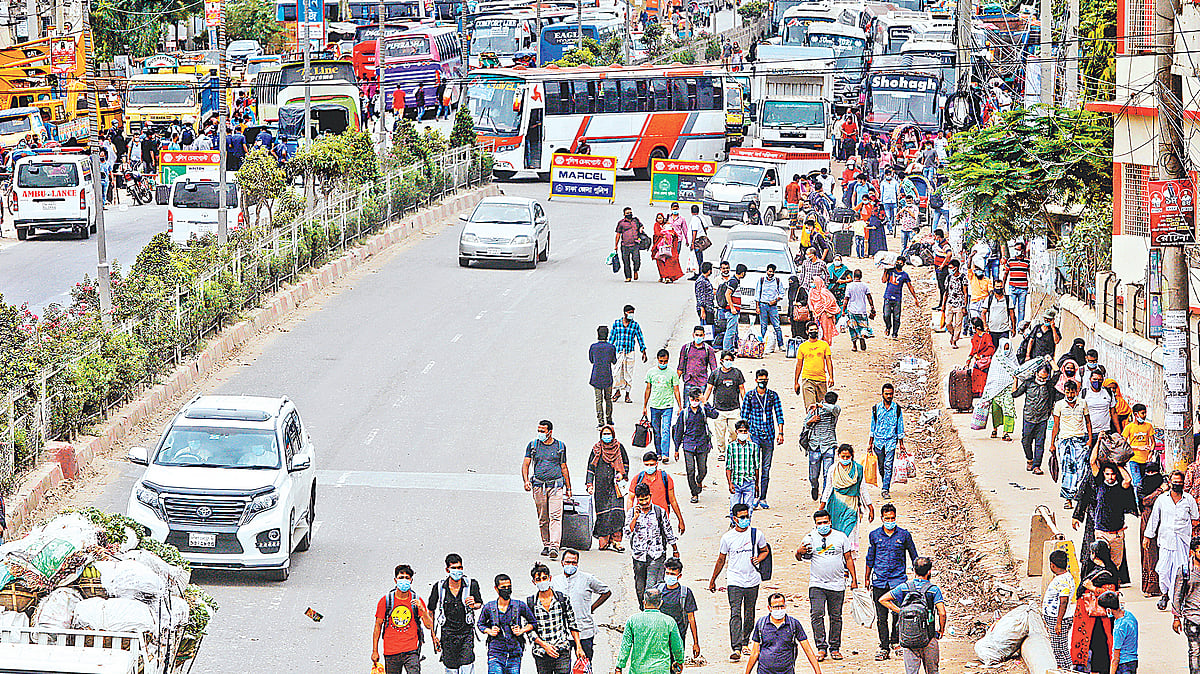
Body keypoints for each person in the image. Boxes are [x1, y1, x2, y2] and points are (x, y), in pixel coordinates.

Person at [709, 503, 771, 661]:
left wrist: (759, 559)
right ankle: (736, 647)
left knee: (749, 612)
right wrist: (713, 579)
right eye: (742, 517)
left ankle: (745, 642)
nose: (745, 520)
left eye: (747, 516)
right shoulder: (727, 537)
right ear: (734, 518)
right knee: (735, 612)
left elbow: (765, 550)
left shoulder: (757, 534)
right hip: (734, 580)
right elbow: (721, 559)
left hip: (752, 580)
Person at [797, 509, 857, 661]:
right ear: (815, 524)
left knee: (836, 617)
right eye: (819, 523)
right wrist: (799, 551)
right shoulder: (809, 538)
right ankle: (821, 648)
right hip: (817, 584)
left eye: (825, 522)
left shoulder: (840, 537)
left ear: (830, 522)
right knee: (817, 614)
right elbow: (799, 556)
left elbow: (848, 558)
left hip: (837, 584)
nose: (823, 525)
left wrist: (854, 579)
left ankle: (835, 648)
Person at [866, 503, 920, 661]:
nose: (890, 521)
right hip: (879, 581)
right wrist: (866, 578)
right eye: (887, 518)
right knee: (881, 617)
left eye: (893, 518)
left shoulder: (904, 535)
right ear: (882, 518)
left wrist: (918, 577)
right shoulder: (874, 535)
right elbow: (870, 558)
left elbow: (913, 555)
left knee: (898, 613)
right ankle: (883, 647)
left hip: (898, 581)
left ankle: (896, 642)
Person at [878, 557, 946, 674]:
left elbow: (883, 599)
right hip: (929, 637)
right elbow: (942, 612)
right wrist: (941, 630)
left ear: (914, 570)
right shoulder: (933, 590)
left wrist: (901, 611)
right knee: (933, 671)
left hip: (908, 637)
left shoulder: (905, 587)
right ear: (929, 571)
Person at [1073, 463, 1137, 585]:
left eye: (1112, 474)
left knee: (1115, 559)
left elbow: (1127, 481)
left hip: (1116, 528)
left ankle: (1114, 580)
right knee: (1095, 553)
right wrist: (1077, 515)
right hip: (1097, 523)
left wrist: (1117, 464)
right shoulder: (1096, 481)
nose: (1110, 476)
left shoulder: (1119, 486)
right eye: (1107, 474)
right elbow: (1085, 494)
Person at [1146, 470, 1200, 610]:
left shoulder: (1189, 500)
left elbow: (1195, 519)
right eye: (1174, 482)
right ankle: (1165, 594)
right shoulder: (1162, 500)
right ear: (1170, 483)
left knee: (1181, 571)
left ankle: (1178, 599)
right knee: (1163, 570)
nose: (1177, 485)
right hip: (1165, 541)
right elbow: (1154, 519)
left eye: (1179, 483)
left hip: (1182, 542)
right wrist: (1147, 536)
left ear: (1183, 484)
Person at [374, 564, 438, 674]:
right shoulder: (386, 600)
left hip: (411, 650)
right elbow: (378, 625)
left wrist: (422, 609)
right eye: (401, 578)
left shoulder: (416, 600)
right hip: (391, 651)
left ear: (411, 581)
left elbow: (429, 625)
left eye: (407, 578)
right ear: (395, 580)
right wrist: (375, 651)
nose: (404, 580)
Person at [522, 420, 572, 559]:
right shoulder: (532, 446)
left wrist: (568, 487)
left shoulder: (560, 446)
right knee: (543, 518)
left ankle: (554, 546)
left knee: (555, 517)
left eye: (543, 431)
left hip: (556, 487)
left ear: (550, 432)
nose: (540, 433)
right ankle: (546, 543)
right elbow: (526, 464)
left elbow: (564, 467)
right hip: (539, 486)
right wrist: (526, 481)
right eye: (539, 430)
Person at [429, 554, 484, 674]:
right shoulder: (439, 587)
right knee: (451, 669)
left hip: (466, 633)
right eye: (454, 568)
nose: (457, 571)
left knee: (467, 667)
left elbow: (479, 604)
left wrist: (473, 604)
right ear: (447, 570)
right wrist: (433, 635)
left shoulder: (471, 584)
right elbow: (431, 611)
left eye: (460, 568)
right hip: (447, 635)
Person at [552, 550, 611, 661]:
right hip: (562, 632)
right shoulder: (555, 581)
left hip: (584, 630)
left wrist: (592, 608)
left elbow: (606, 592)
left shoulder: (587, 579)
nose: (571, 565)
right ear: (562, 562)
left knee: (584, 666)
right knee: (562, 667)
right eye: (568, 562)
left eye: (574, 563)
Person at [744, 592, 824, 674]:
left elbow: (808, 650)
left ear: (785, 606)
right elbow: (755, 652)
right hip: (764, 671)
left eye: (781, 606)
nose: (779, 609)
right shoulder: (761, 624)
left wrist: (818, 672)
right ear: (769, 608)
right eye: (775, 607)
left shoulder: (793, 624)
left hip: (787, 671)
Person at [526, 563, 585, 674]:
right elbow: (529, 630)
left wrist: (578, 646)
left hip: (562, 650)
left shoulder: (562, 599)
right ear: (534, 582)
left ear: (550, 578)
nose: (542, 582)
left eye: (544, 578)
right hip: (541, 652)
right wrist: (545, 646)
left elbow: (572, 624)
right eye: (538, 579)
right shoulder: (531, 603)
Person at [628, 482, 679, 609]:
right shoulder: (632, 513)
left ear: (650, 496)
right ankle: (644, 609)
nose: (644, 502)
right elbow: (627, 533)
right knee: (640, 588)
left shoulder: (659, 512)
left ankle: (651, 612)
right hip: (639, 556)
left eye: (646, 499)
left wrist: (675, 549)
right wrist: (635, 518)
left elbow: (668, 530)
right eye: (641, 499)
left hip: (656, 555)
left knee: (651, 587)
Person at [741, 369, 785, 509]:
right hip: (754, 435)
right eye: (760, 379)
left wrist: (780, 432)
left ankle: (763, 497)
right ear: (756, 380)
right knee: (754, 467)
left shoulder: (772, 396)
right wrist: (745, 435)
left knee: (766, 468)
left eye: (765, 379)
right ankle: (755, 495)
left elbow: (779, 414)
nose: (763, 382)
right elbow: (744, 416)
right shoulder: (749, 396)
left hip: (769, 435)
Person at [615, 588, 685, 674]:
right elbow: (677, 646)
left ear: (644, 603)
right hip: (661, 670)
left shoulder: (632, 620)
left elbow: (625, 646)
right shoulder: (669, 621)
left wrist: (619, 667)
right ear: (661, 603)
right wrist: (679, 661)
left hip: (638, 670)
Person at [477, 574, 536, 674]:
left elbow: (533, 622)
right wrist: (489, 631)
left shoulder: (519, 605)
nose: (507, 590)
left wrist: (521, 630)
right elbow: (480, 624)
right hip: (495, 652)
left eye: (509, 587)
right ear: (496, 589)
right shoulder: (489, 607)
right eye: (503, 587)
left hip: (514, 653)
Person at [1071, 556, 1118, 673]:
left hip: (1101, 618)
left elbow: (1110, 593)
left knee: (1101, 645)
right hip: (1093, 619)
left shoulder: (1107, 574)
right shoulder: (1094, 571)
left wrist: (1092, 588)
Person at [587, 425, 629, 552]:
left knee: (617, 513)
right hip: (601, 487)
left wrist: (622, 474)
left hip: (616, 487)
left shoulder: (619, 448)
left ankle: (617, 541)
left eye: (608, 434)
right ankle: (605, 541)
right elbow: (590, 468)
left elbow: (625, 464)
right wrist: (589, 484)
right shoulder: (596, 449)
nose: (606, 436)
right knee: (603, 513)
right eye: (604, 434)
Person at [1053, 381, 1094, 510]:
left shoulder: (1083, 403)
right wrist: (1052, 443)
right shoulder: (1059, 405)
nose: (1070, 394)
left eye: (1072, 392)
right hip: (1065, 441)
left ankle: (1080, 497)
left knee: (1082, 470)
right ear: (1064, 391)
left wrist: (1090, 439)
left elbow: (1088, 422)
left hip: (1080, 440)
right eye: (1067, 392)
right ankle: (1068, 499)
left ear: (1076, 391)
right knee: (1068, 470)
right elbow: (1056, 425)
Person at [674, 387, 719, 502]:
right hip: (688, 445)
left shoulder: (704, 410)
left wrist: (705, 402)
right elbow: (678, 432)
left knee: (702, 469)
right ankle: (694, 493)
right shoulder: (684, 413)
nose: (694, 401)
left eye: (697, 399)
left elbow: (715, 414)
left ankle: (699, 481)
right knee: (690, 470)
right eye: (692, 399)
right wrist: (676, 449)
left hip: (702, 445)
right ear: (689, 399)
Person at [629, 452, 686, 533]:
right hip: (642, 520)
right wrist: (631, 517)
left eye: (651, 464)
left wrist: (680, 520)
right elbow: (630, 499)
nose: (649, 467)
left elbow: (672, 500)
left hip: (661, 519)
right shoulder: (638, 478)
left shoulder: (665, 478)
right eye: (647, 465)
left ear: (657, 464)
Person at [981, 338, 1026, 441]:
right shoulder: (997, 359)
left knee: (1009, 410)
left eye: (1007, 348)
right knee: (996, 410)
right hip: (996, 389)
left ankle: (1006, 432)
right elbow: (992, 375)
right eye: (1004, 348)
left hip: (1008, 389)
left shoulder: (1012, 360)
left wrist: (1015, 383)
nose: (1006, 351)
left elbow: (1017, 372)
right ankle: (995, 429)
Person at [1013, 364, 1055, 474]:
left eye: (1044, 378)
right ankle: (1030, 459)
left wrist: (1050, 361)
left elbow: (1058, 373)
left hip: (1043, 418)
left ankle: (1037, 466)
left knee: (1040, 443)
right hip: (1029, 417)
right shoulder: (1028, 383)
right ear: (1036, 374)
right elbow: (1015, 394)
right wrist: (1015, 380)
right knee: (1026, 441)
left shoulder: (1049, 386)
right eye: (1040, 377)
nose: (1042, 380)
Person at [656, 557, 700, 658]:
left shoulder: (685, 593)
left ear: (679, 576)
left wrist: (696, 643)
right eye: (667, 573)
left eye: (672, 574)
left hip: (678, 638)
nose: (669, 576)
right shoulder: (657, 590)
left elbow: (691, 618)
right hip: (659, 637)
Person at [705, 351, 745, 461]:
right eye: (726, 360)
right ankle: (722, 452)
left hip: (734, 409)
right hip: (719, 410)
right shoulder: (715, 374)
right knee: (720, 434)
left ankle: (731, 449)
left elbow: (742, 389)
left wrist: (746, 403)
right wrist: (703, 402)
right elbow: (709, 388)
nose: (728, 362)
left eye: (730, 360)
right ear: (721, 360)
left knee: (734, 432)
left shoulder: (737, 373)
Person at [868, 384, 906, 500]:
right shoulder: (876, 409)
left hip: (891, 441)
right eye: (887, 394)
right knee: (881, 466)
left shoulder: (897, 409)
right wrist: (870, 443)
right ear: (882, 394)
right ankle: (885, 479)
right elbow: (872, 427)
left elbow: (900, 427)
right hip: (878, 442)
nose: (889, 396)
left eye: (891, 394)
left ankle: (885, 489)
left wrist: (901, 444)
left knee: (888, 465)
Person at [645, 349, 682, 463]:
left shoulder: (672, 373)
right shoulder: (651, 373)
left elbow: (676, 390)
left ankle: (665, 454)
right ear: (657, 360)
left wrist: (680, 406)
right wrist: (644, 406)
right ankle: (658, 453)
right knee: (656, 431)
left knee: (666, 430)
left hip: (667, 406)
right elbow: (648, 389)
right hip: (654, 405)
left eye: (665, 361)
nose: (663, 363)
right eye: (661, 361)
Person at [1042, 549, 1076, 669]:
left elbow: (1064, 601)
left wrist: (1058, 622)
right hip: (1058, 618)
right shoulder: (1065, 577)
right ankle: (1064, 668)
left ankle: (1066, 669)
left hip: (1059, 618)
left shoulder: (1062, 580)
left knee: (1059, 648)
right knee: (1060, 646)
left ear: (1052, 565)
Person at [1170, 536, 1200, 672]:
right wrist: (1176, 618)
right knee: (1195, 651)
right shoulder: (1185, 570)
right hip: (1192, 617)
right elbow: (1177, 595)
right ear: (1193, 552)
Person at [806, 392, 841, 502]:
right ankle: (814, 487)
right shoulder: (815, 410)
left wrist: (820, 405)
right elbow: (805, 424)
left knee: (827, 474)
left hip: (829, 445)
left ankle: (825, 497)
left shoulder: (834, 410)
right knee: (813, 475)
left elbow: (834, 409)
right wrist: (811, 421)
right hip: (814, 445)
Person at [610, 306, 649, 404]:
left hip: (630, 352)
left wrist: (643, 351)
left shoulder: (635, 325)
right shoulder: (617, 323)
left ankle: (627, 394)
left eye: (632, 313)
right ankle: (617, 391)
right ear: (625, 313)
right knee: (616, 372)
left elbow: (640, 338)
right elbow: (612, 337)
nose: (631, 315)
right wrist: (609, 350)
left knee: (628, 373)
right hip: (619, 351)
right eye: (629, 312)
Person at [1139, 462, 1166, 597]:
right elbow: (1145, 501)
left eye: (1154, 473)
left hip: (1163, 521)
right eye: (1148, 473)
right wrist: (1159, 491)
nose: (1150, 476)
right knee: (1150, 554)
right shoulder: (1141, 487)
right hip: (1147, 520)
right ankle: (1150, 587)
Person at [794, 322, 833, 409]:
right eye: (811, 330)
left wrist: (831, 377)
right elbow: (799, 365)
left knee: (823, 408)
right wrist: (796, 382)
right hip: (808, 380)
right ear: (807, 332)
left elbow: (829, 362)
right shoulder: (802, 347)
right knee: (811, 408)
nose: (813, 332)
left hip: (821, 380)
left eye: (815, 329)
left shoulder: (824, 345)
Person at [1098, 590, 1139, 674]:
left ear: (1108, 610)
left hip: (1123, 665)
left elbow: (1116, 657)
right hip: (1133, 661)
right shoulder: (1129, 615)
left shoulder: (1119, 628)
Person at [726, 420, 761, 509]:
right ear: (736, 431)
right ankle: (734, 523)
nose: (743, 433)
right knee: (734, 508)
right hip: (736, 482)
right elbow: (728, 467)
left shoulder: (753, 447)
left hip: (749, 482)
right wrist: (730, 483)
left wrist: (756, 484)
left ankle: (746, 523)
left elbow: (756, 467)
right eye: (741, 431)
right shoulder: (731, 447)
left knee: (749, 509)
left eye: (745, 431)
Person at [839, 269, 875, 353]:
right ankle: (862, 336)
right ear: (861, 276)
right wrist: (872, 307)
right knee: (863, 325)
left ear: (853, 276)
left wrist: (843, 310)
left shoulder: (850, 286)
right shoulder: (865, 285)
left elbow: (846, 299)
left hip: (852, 310)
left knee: (852, 327)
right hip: (862, 310)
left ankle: (854, 345)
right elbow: (869, 297)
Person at [881, 257, 918, 340]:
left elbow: (910, 286)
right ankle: (888, 326)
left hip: (897, 298)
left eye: (900, 263)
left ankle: (895, 333)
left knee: (896, 317)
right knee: (886, 315)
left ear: (903, 264)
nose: (898, 264)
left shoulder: (905, 275)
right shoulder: (890, 271)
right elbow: (883, 280)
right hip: (887, 296)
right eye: (897, 262)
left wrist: (915, 298)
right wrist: (885, 270)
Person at [1122, 405, 1154, 492]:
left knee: (1145, 483)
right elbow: (1123, 444)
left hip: (1146, 460)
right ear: (1136, 414)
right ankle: (1137, 503)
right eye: (1142, 413)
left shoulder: (1149, 426)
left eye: (1145, 413)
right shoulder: (1129, 427)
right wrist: (1138, 447)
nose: (1144, 415)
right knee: (1137, 483)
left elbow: (1153, 442)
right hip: (1134, 459)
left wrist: (1151, 453)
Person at [589, 326, 617, 428]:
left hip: (596, 376)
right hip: (607, 376)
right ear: (607, 335)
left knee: (598, 399)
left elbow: (591, 360)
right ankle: (609, 419)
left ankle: (600, 421)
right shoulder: (611, 347)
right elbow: (614, 361)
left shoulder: (593, 347)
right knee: (608, 398)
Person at [678, 326, 718, 397]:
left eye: (700, 335)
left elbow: (714, 368)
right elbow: (680, 367)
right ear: (693, 335)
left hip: (702, 382)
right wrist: (674, 383)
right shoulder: (686, 348)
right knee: (687, 406)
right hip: (689, 381)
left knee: (701, 406)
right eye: (697, 335)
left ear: (704, 336)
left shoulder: (708, 350)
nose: (698, 337)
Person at [756, 264, 787, 353]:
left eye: (772, 272)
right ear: (766, 271)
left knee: (777, 326)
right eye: (769, 271)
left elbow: (781, 294)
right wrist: (757, 307)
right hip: (763, 305)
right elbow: (757, 294)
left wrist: (775, 300)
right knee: (763, 326)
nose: (770, 273)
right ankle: (762, 344)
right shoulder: (761, 280)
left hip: (773, 306)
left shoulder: (777, 281)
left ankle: (781, 345)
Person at [1082, 369, 1118, 443]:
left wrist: (1119, 432)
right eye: (1094, 379)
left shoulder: (1108, 393)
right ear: (1090, 379)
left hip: (1105, 432)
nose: (1097, 382)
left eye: (1100, 380)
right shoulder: (1084, 393)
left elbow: (1113, 413)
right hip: (1088, 433)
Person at [720, 265, 748, 353]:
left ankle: (731, 348)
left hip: (734, 310)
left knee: (733, 331)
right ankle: (727, 350)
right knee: (730, 331)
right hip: (732, 311)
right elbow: (727, 294)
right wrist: (732, 307)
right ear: (742, 273)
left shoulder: (734, 280)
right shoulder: (733, 282)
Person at [1004, 241, 1031, 326]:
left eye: (1018, 249)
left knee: (1021, 309)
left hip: (1023, 288)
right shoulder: (1010, 261)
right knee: (1011, 307)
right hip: (1013, 288)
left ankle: (1020, 326)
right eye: (1015, 249)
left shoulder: (1027, 262)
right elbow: (1005, 274)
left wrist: (1031, 286)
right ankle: (1012, 324)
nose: (1016, 251)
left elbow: (1030, 274)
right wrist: (1003, 286)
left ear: (1022, 251)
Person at [981, 280, 1016, 347]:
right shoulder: (989, 299)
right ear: (994, 287)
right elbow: (983, 313)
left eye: (1000, 286)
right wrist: (985, 325)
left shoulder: (1008, 299)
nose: (999, 288)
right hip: (992, 330)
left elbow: (1012, 314)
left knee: (1004, 350)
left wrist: (1013, 327)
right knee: (993, 350)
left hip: (1004, 330)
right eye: (997, 286)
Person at [652, 213, 684, 283]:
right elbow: (657, 233)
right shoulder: (656, 225)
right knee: (660, 262)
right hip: (659, 247)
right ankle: (663, 276)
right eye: (658, 218)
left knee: (669, 262)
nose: (660, 220)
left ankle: (669, 276)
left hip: (668, 247)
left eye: (661, 218)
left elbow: (674, 233)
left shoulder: (667, 225)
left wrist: (670, 234)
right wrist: (665, 234)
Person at [808, 278, 840, 346]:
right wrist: (814, 311)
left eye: (813, 281)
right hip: (816, 314)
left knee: (826, 331)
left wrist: (823, 309)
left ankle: (826, 347)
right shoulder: (812, 291)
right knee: (818, 330)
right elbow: (810, 303)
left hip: (824, 314)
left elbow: (831, 301)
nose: (812, 283)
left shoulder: (824, 291)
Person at [615, 208, 644, 282]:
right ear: (624, 214)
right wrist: (616, 245)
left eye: (630, 212)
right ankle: (628, 277)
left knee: (636, 260)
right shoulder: (621, 223)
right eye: (627, 213)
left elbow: (641, 226)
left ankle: (635, 270)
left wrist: (641, 228)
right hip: (625, 245)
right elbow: (618, 234)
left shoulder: (635, 220)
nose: (629, 214)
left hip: (635, 244)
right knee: (626, 261)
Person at [696, 262, 716, 328]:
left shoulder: (705, 280)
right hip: (705, 309)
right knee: (707, 328)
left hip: (709, 308)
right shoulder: (701, 281)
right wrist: (702, 310)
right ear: (709, 270)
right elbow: (700, 296)